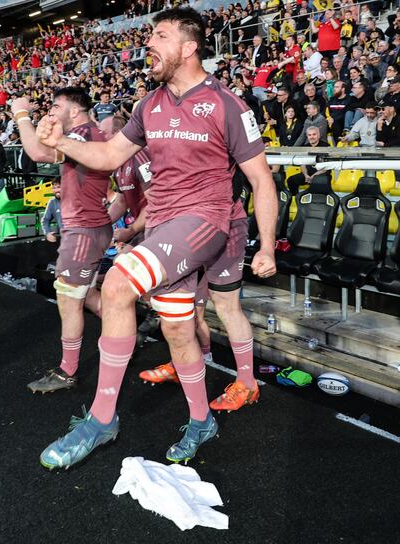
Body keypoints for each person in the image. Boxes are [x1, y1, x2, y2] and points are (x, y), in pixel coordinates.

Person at [34, 8, 278, 469]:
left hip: (206, 219)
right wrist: (63, 143)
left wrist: (266, 245)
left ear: (189, 47)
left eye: (160, 36)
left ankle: (103, 419)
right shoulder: (148, 104)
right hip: (164, 225)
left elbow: (262, 181)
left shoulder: (227, 103)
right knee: (177, 330)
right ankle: (202, 419)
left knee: (118, 284)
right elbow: (107, 154)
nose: (149, 44)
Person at [13, 88, 113, 395]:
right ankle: (127, 333)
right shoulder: (84, 134)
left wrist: (20, 114)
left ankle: (67, 371)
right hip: (87, 228)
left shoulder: (83, 134)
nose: (53, 111)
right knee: (89, 293)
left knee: (69, 301)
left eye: (58, 106)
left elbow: (38, 153)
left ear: (75, 110)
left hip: (83, 230)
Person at [41, 178, 63, 243]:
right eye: (54, 188)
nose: (56, 190)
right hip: (65, 239)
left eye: (59, 187)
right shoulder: (52, 202)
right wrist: (48, 233)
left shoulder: (75, 200)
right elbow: (45, 220)